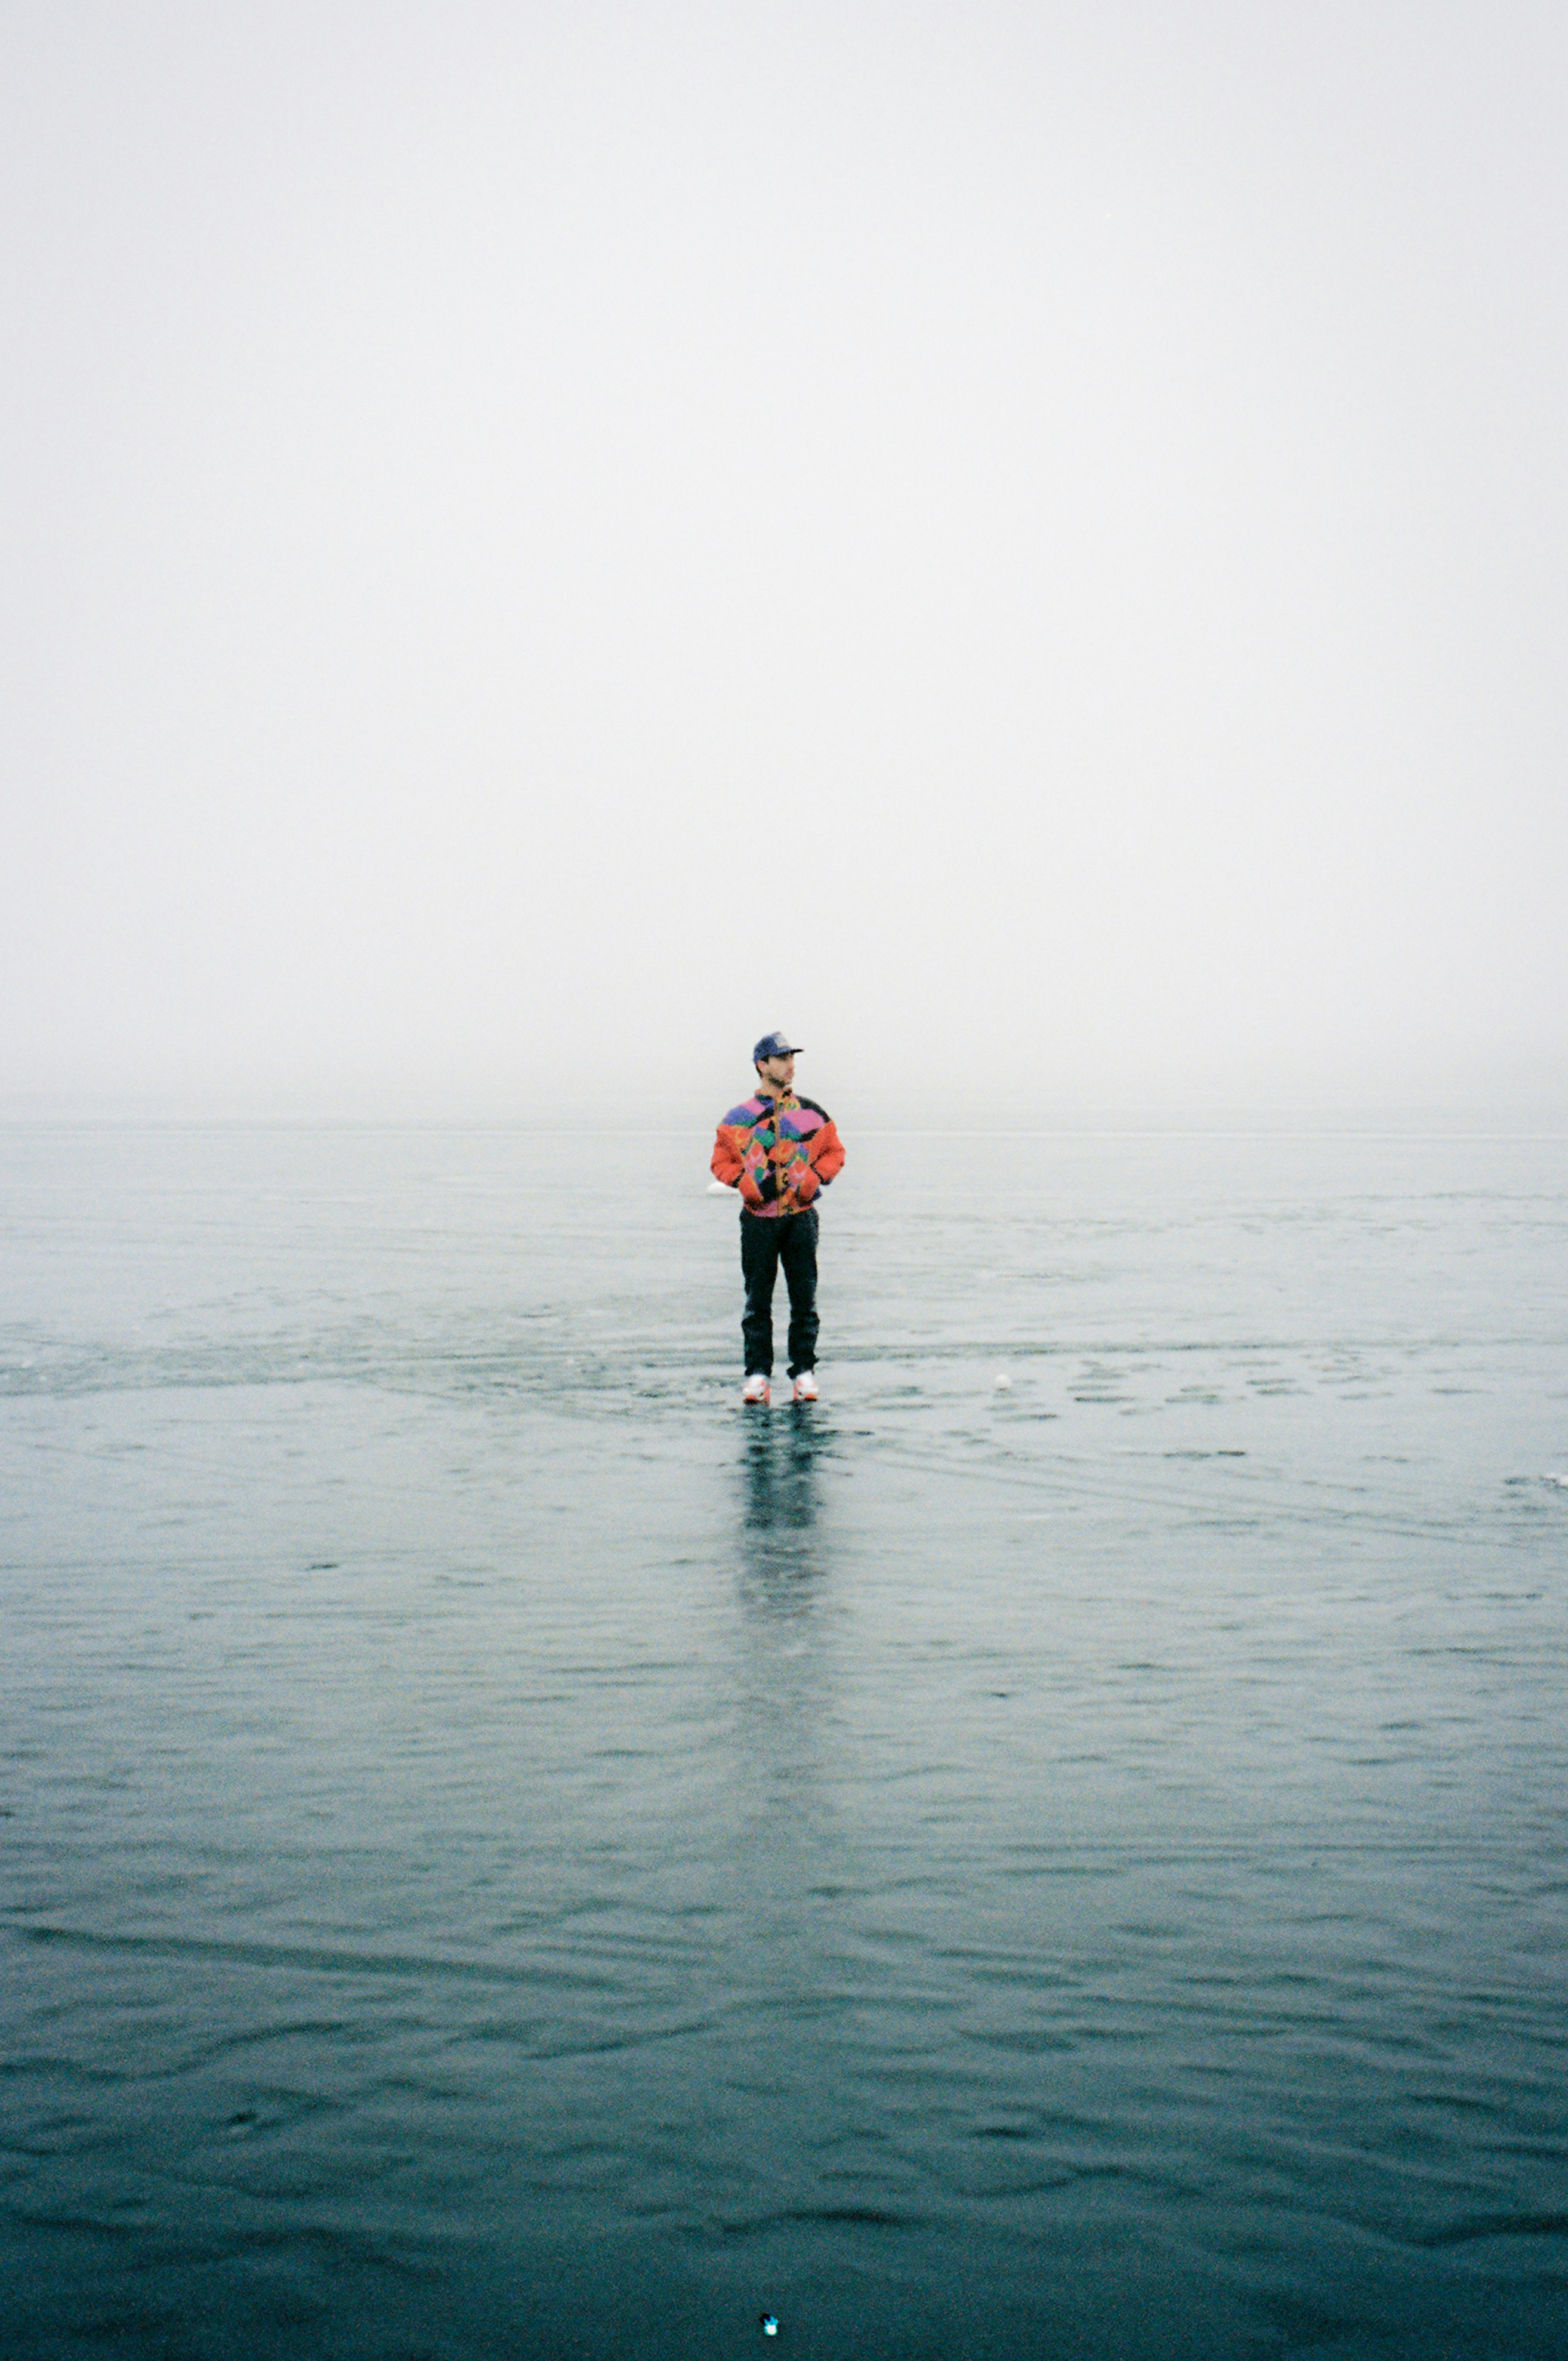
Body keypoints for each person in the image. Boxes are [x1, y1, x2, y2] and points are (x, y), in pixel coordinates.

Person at [711, 1032, 845, 1405]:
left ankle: (804, 1372)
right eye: (782, 1057)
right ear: (762, 1065)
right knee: (757, 1301)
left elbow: (834, 1153)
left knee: (805, 1299)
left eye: (792, 1058)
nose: (791, 1064)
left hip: (801, 1219)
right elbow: (721, 1162)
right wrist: (743, 1183)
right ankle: (757, 1374)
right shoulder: (737, 1119)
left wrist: (816, 1178)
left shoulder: (812, 1112)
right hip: (758, 1221)